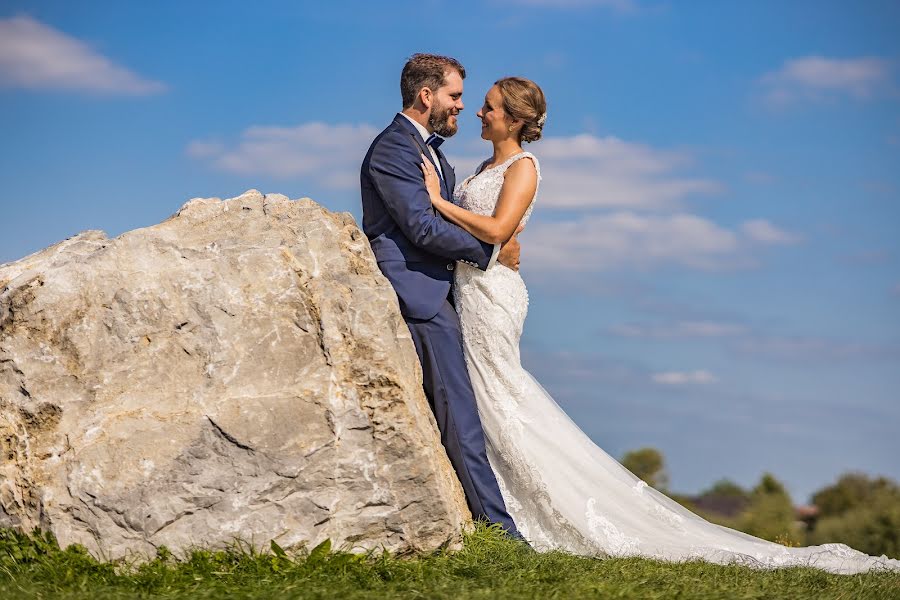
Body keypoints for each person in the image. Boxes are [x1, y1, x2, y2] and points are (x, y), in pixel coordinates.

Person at [419, 75, 900, 575]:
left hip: (493, 297)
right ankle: (498, 504)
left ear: (514, 119)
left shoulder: (523, 168)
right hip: (470, 291)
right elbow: (496, 235)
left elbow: (497, 230)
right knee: (482, 396)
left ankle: (530, 511)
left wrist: (437, 202)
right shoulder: (483, 166)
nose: (479, 113)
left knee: (502, 395)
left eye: (489, 107)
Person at [360, 53, 523, 539]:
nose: (461, 106)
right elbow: (421, 226)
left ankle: (491, 522)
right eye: (454, 96)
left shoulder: (432, 153)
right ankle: (501, 532)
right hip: (418, 294)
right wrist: (489, 251)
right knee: (461, 414)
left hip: (444, 291)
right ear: (426, 95)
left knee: (463, 410)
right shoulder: (394, 149)